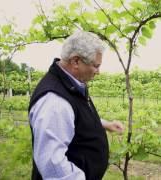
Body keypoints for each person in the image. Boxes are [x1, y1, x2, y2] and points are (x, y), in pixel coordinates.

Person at [28, 31, 124, 180]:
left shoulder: (71, 84)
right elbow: (53, 165)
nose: (98, 72)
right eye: (95, 66)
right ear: (76, 61)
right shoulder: (54, 102)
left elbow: (75, 119)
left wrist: (105, 124)